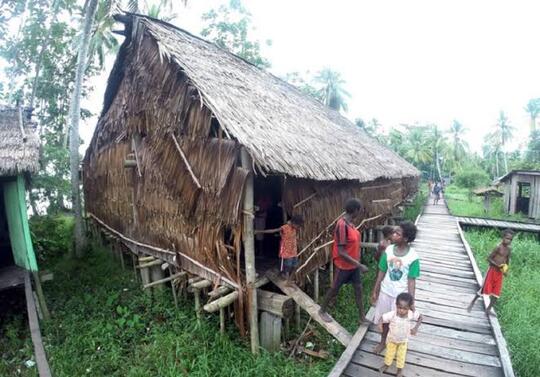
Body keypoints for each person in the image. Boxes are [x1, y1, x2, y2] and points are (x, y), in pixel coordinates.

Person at [371, 221, 420, 354]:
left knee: (398, 322)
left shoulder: (413, 257)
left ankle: (396, 345)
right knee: (385, 320)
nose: (393, 235)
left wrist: (411, 301)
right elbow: (382, 270)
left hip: (400, 298)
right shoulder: (388, 250)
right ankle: (382, 342)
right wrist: (375, 290)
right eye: (394, 232)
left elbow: (411, 280)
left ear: (405, 239)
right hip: (385, 292)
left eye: (397, 233)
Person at [318, 198, 369, 324]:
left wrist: (357, 263)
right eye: (360, 210)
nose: (360, 212)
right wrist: (359, 265)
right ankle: (322, 310)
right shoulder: (341, 225)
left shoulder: (350, 224)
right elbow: (341, 252)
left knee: (359, 289)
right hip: (344, 266)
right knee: (334, 289)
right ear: (355, 210)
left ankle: (362, 317)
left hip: (353, 265)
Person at [467, 229, 513, 315]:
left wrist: (505, 270)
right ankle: (472, 302)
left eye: (510, 239)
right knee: (484, 288)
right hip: (492, 271)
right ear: (503, 237)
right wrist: (496, 265)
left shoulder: (509, 250)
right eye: (507, 238)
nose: (508, 241)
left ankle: (488, 309)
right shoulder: (498, 247)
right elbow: (489, 258)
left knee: (496, 292)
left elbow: (507, 261)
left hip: (499, 273)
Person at [378, 292, 423, 377]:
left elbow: (421, 317)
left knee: (401, 356)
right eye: (399, 307)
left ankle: (399, 370)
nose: (401, 310)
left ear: (409, 307)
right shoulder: (392, 314)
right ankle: (387, 365)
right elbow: (382, 318)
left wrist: (416, 328)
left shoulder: (410, 314)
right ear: (396, 305)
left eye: (405, 308)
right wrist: (380, 325)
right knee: (389, 354)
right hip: (392, 340)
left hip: (403, 341)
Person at [254, 214, 304, 285]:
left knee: (295, 265)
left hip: (293, 250)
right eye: (298, 226)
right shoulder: (284, 227)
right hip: (286, 251)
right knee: (288, 265)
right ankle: (286, 278)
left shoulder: (294, 228)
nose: (298, 228)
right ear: (293, 223)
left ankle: (288, 278)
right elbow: (273, 231)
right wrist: (260, 231)